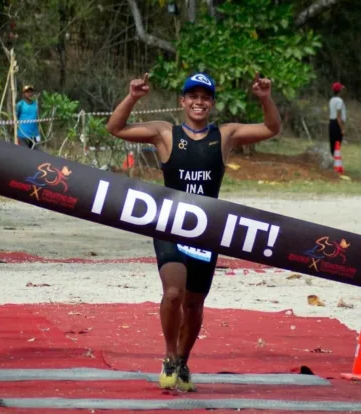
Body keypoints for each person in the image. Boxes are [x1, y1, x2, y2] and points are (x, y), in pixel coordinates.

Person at [105, 72, 281, 392]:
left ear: (212, 103)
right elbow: (115, 128)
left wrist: (265, 97)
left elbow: (271, 128)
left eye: (205, 97)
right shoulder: (164, 133)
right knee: (173, 293)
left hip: (206, 230)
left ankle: (184, 360)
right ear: (183, 101)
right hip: (169, 224)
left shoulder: (225, 135)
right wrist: (132, 96)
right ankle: (170, 356)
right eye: (193, 96)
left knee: (194, 304)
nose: (199, 102)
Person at [16, 85, 42, 150]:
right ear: (24, 94)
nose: (30, 93)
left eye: (31, 92)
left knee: (38, 153)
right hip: (23, 134)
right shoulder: (20, 104)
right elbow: (15, 116)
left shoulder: (35, 104)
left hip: (35, 134)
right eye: (27, 92)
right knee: (24, 154)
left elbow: (37, 117)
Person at [328, 82, 347, 156]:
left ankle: (332, 160)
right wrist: (342, 128)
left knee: (332, 144)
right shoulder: (339, 101)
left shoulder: (331, 100)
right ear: (339, 91)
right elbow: (338, 116)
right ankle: (336, 162)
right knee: (337, 144)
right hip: (337, 124)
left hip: (331, 122)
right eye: (342, 89)